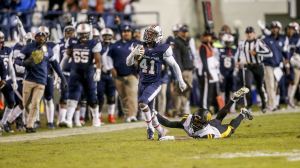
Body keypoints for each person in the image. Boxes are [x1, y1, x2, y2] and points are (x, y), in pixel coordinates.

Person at [126, 25, 187, 140]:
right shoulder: (139, 46)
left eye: (152, 34)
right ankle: (161, 130)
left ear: (158, 36)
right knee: (151, 110)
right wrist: (132, 54)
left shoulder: (162, 48)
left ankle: (150, 129)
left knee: (142, 103)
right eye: (148, 33)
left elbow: (174, 65)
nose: (148, 36)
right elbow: (128, 63)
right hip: (142, 82)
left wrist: (181, 80)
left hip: (155, 83)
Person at [156, 87, 252, 139]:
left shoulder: (208, 134)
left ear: (204, 123)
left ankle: (243, 114)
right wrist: (154, 113)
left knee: (231, 128)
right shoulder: (188, 120)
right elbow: (168, 123)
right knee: (218, 118)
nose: (195, 122)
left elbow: (189, 139)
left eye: (198, 121)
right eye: (195, 119)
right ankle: (233, 100)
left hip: (217, 131)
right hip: (211, 125)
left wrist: (171, 137)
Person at [19, 28, 67, 133]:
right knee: (25, 104)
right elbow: (17, 60)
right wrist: (25, 63)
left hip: (41, 80)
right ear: (35, 37)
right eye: (39, 36)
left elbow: (56, 65)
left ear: (46, 37)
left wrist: (62, 78)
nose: (41, 38)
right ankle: (26, 121)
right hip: (29, 79)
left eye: (43, 36)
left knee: (35, 103)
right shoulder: (28, 47)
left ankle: (29, 125)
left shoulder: (48, 49)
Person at [63, 23, 102, 128]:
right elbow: (66, 57)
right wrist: (60, 71)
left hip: (88, 72)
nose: (83, 37)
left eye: (85, 34)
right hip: (75, 72)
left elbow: (98, 60)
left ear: (89, 34)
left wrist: (98, 72)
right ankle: (69, 120)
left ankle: (96, 119)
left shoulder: (93, 43)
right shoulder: (72, 41)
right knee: (72, 96)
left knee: (92, 98)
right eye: (81, 34)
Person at [236, 26, 272, 112]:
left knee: (259, 86)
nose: (249, 34)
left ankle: (264, 105)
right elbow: (238, 53)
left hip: (258, 66)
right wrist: (238, 61)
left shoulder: (259, 42)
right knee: (247, 85)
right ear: (245, 34)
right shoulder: (242, 43)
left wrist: (257, 52)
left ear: (254, 33)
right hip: (248, 66)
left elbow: (269, 53)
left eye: (250, 32)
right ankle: (249, 105)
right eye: (247, 33)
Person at [109, 25, 140, 122]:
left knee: (132, 95)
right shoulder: (115, 45)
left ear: (131, 33)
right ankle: (127, 115)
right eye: (124, 31)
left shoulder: (136, 43)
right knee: (123, 97)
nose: (126, 33)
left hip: (132, 74)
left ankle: (133, 115)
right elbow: (107, 57)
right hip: (118, 75)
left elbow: (144, 56)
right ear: (121, 33)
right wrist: (111, 68)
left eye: (128, 31)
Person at [173, 24, 194, 116]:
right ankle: (178, 111)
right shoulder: (177, 42)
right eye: (183, 32)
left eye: (186, 32)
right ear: (180, 32)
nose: (185, 33)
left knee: (186, 92)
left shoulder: (186, 41)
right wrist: (179, 71)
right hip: (183, 70)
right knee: (179, 91)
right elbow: (177, 57)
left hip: (189, 70)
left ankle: (183, 110)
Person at [97, 28, 117, 123]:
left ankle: (111, 115)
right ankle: (98, 115)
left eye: (109, 36)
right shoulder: (99, 46)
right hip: (101, 74)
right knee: (100, 96)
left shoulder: (114, 46)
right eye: (105, 36)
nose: (107, 38)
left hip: (111, 75)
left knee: (111, 96)